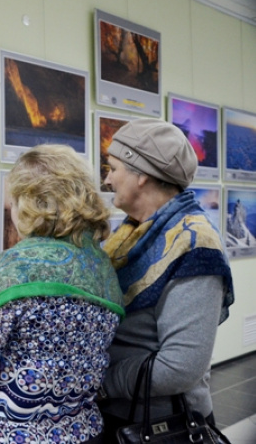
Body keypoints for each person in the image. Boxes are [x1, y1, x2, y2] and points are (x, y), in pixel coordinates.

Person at [0, 144, 125, 444]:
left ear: (33, 202)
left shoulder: (16, 269)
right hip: (86, 435)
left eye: (16, 199)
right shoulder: (102, 267)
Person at [98, 118, 235, 436]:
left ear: (141, 174)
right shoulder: (132, 232)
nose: (107, 179)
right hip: (119, 415)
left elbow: (180, 368)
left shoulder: (194, 244)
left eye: (113, 168)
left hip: (159, 427)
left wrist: (103, 383)